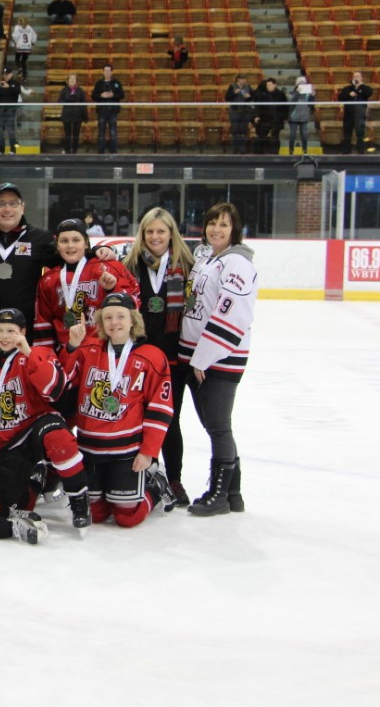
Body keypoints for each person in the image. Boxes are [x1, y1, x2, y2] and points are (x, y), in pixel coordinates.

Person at [0, 308, 91, 531]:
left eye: (11, 331)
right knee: (13, 506)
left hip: (37, 427)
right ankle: (37, 478)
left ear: (22, 332)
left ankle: (79, 497)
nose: (5, 336)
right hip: (6, 444)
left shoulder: (39, 354)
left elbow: (54, 390)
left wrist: (29, 353)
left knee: (58, 437)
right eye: (0, 330)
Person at [62, 293, 177, 528]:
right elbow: (62, 381)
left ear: (133, 320)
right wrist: (72, 346)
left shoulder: (152, 357)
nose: (114, 323)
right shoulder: (87, 348)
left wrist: (148, 451)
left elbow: (161, 408)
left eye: (121, 316)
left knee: (127, 517)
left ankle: (155, 486)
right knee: (97, 514)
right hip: (89, 449)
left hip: (126, 451)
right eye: (108, 317)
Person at [180, 202, 257, 517]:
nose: (216, 229)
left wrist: (203, 357)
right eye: (212, 223)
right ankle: (233, 494)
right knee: (215, 425)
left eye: (224, 224)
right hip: (197, 358)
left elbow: (232, 313)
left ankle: (220, 494)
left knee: (218, 426)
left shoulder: (236, 263)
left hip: (218, 359)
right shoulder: (208, 258)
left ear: (235, 229)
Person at [122, 208, 193, 506]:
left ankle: (174, 478)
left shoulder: (187, 266)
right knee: (136, 417)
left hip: (173, 358)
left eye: (161, 231)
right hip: (137, 357)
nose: (155, 237)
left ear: (171, 234)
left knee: (169, 420)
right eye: (149, 231)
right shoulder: (129, 265)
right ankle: (145, 475)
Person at [0, 184, 58, 360]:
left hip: (25, 330)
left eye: (13, 203)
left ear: (22, 207)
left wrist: (98, 252)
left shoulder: (40, 239)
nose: (7, 209)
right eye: (1, 204)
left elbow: (69, 259)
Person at [33, 218, 137, 352]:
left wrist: (112, 289)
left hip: (104, 352)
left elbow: (135, 304)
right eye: (64, 241)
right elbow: (43, 322)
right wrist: (47, 357)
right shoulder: (48, 280)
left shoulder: (109, 267)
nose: (70, 246)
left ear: (86, 243)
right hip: (68, 352)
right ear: (57, 246)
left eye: (76, 240)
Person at [92, 64, 125, 154]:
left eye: (108, 70)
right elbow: (93, 96)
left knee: (113, 131)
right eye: (105, 70)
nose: (107, 72)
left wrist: (113, 95)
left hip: (113, 111)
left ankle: (113, 151)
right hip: (101, 111)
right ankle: (100, 151)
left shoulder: (117, 83)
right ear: (103, 72)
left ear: (111, 72)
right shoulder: (98, 83)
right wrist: (101, 95)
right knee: (101, 132)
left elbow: (122, 95)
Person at [337, 72, 372, 154]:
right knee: (347, 133)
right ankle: (346, 151)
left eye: (358, 76)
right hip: (348, 114)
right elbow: (340, 98)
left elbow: (369, 93)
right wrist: (349, 94)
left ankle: (360, 151)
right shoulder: (347, 88)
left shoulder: (365, 88)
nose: (356, 78)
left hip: (360, 114)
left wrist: (360, 86)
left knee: (360, 133)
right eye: (355, 76)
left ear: (361, 78)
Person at [252, 77, 288, 154]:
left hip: (276, 120)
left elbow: (285, 108)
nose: (268, 86)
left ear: (275, 85)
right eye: (267, 85)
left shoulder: (281, 95)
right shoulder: (263, 94)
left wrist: (283, 117)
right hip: (264, 119)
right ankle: (261, 153)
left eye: (270, 85)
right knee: (262, 136)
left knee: (275, 137)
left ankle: (275, 153)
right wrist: (257, 115)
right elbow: (258, 106)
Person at [0, 69, 23, 155]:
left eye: (7, 74)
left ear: (11, 74)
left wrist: (8, 87)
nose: (5, 76)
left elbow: (18, 91)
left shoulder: (16, 83)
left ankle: (13, 150)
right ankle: (1, 150)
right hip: (1, 111)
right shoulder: (0, 84)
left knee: (11, 131)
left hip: (11, 111)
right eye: (4, 74)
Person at [224, 73, 255, 154]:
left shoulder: (248, 86)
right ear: (238, 79)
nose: (243, 81)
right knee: (235, 130)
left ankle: (242, 148)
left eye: (245, 79)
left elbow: (253, 97)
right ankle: (235, 148)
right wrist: (234, 93)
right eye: (242, 79)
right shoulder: (232, 86)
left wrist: (249, 97)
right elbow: (227, 98)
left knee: (243, 130)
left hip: (245, 111)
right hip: (235, 111)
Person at [57, 73, 87, 154]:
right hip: (67, 115)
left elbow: (84, 103)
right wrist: (67, 100)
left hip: (77, 115)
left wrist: (85, 116)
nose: (72, 80)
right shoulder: (64, 90)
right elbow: (59, 101)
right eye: (71, 79)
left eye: (74, 79)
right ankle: (67, 150)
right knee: (68, 135)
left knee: (76, 135)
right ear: (68, 80)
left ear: (76, 80)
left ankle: (74, 151)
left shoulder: (80, 90)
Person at [288, 76, 315, 155]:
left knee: (304, 134)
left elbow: (311, 104)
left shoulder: (307, 94)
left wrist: (312, 95)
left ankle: (305, 150)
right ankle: (291, 150)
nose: (302, 85)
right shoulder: (291, 93)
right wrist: (297, 92)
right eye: (300, 84)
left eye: (303, 84)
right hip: (293, 116)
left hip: (304, 116)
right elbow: (291, 101)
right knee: (292, 134)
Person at [10, 15, 37, 80]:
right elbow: (34, 36)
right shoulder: (29, 28)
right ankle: (24, 77)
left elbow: (15, 36)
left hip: (20, 46)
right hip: (27, 47)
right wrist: (33, 42)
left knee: (17, 59)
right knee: (24, 62)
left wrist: (15, 42)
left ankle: (20, 68)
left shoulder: (17, 27)